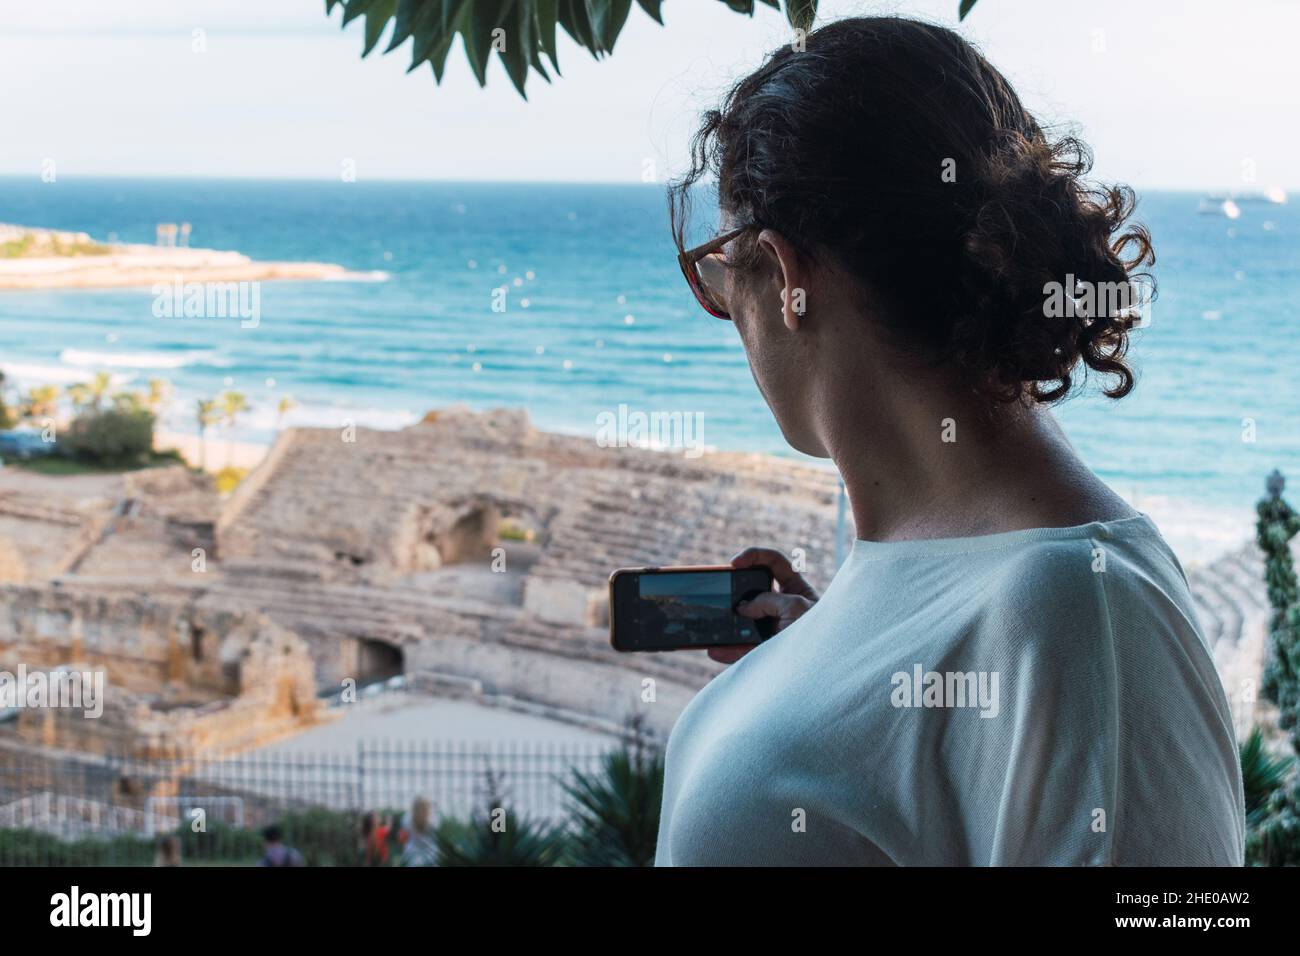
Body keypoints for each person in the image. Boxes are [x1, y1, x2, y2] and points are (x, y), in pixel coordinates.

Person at [656, 16, 1244, 866]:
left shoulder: (1083, 614)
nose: (725, 317)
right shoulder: (976, 585)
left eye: (718, 275)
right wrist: (838, 677)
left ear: (786, 277)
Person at [398, 797, 438, 867]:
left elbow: (402, 837)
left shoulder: (407, 819)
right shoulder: (433, 820)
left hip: (414, 854)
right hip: (428, 854)